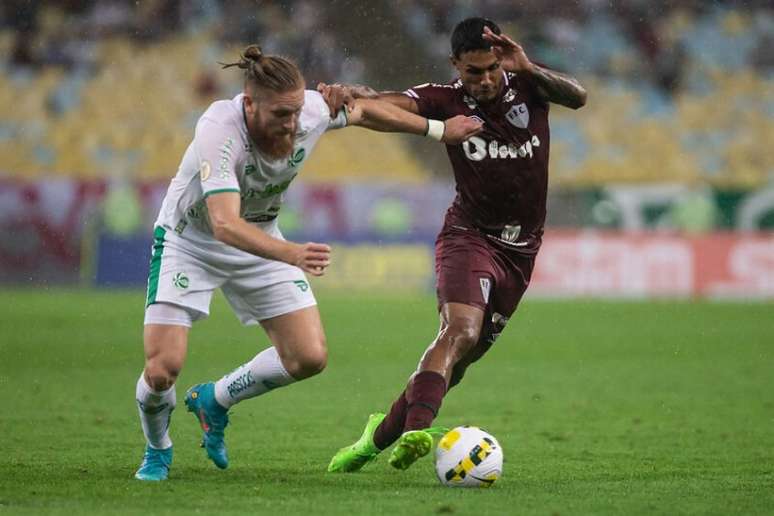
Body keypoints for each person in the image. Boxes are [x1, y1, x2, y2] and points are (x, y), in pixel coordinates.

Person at [134, 44, 482, 481]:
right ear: (249, 105)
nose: (294, 123)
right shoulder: (218, 130)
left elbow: (364, 112)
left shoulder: (309, 111)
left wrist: (437, 130)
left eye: (297, 111)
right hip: (192, 241)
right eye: (281, 114)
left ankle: (215, 400)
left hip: (260, 238)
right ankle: (158, 449)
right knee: (163, 369)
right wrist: (292, 254)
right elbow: (223, 225)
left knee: (308, 357)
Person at [326, 17, 587, 473]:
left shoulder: (529, 84)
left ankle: (375, 437)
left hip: (522, 251)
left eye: (491, 69)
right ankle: (416, 432)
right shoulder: (443, 99)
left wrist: (527, 66)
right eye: (472, 71)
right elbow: (385, 104)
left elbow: (578, 97)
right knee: (459, 332)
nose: (484, 80)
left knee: (460, 363)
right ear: (455, 65)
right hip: (469, 236)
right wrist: (354, 95)